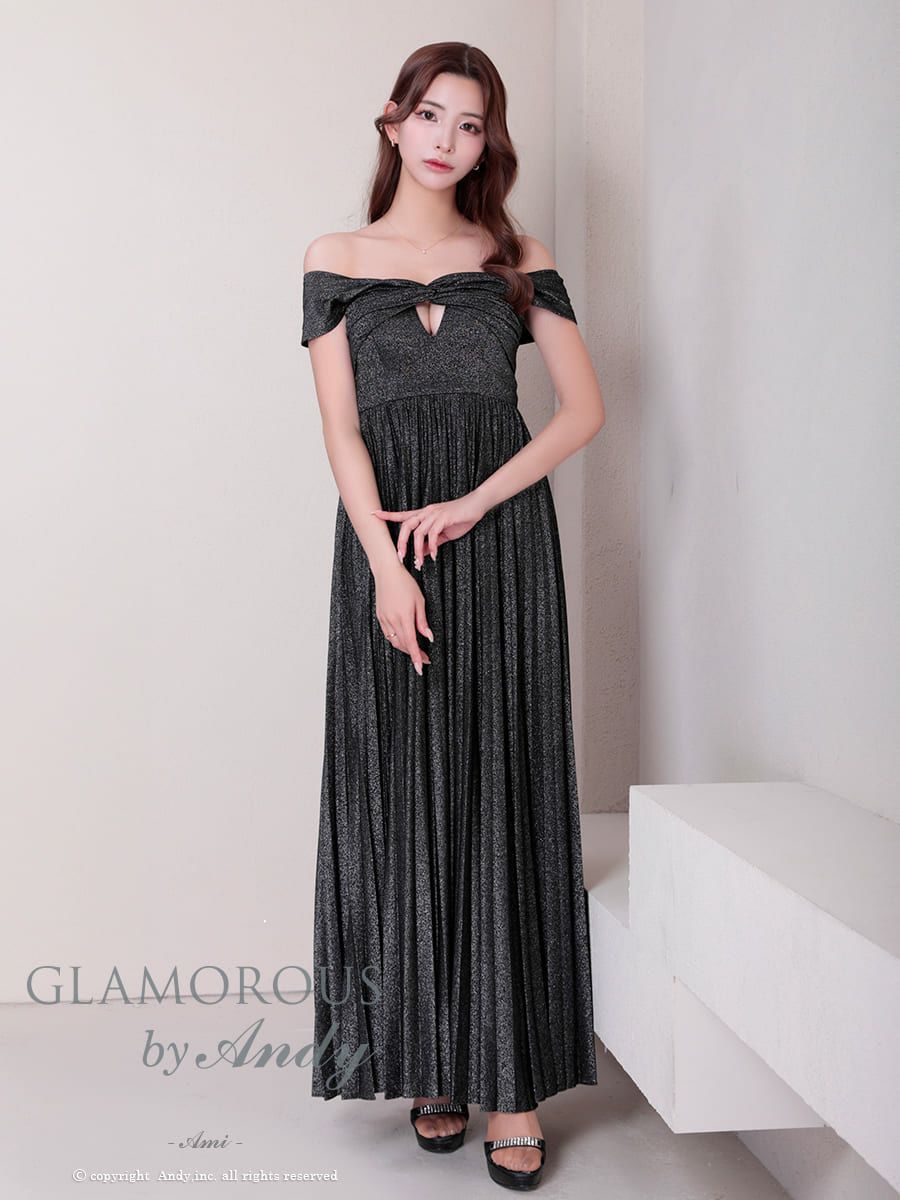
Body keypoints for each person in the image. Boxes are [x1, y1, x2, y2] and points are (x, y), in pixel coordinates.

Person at [300, 41, 605, 1192]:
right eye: (431, 114)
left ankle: (510, 1084)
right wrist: (386, 566)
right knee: (403, 791)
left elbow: (581, 411)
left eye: (470, 124)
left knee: (502, 786)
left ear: (488, 144)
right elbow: (342, 433)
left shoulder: (520, 259)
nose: (447, 139)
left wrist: (476, 503)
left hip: (502, 548)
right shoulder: (335, 260)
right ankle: (434, 1053)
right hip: (387, 561)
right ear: (393, 121)